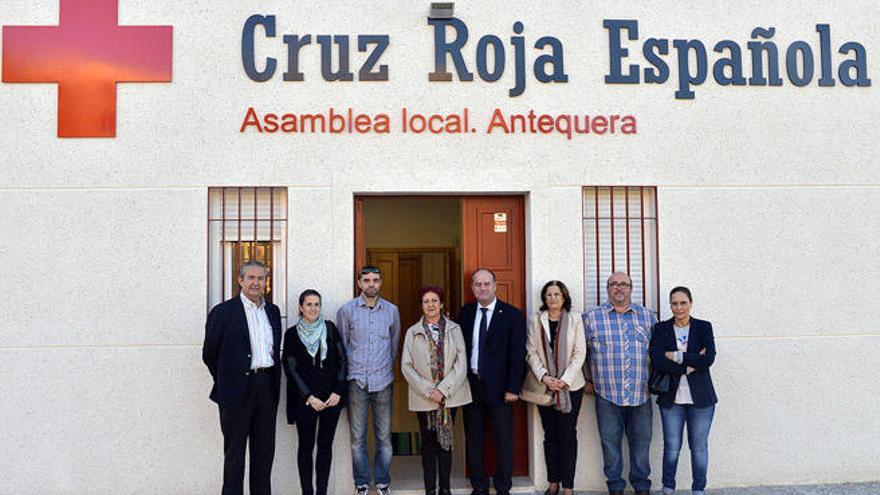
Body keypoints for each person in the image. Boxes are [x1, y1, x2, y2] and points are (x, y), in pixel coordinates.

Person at [202, 260, 282, 495]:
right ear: (240, 280)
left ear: (266, 283)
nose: (256, 283)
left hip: (266, 387)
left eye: (261, 278)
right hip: (236, 391)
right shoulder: (223, 312)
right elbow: (209, 354)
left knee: (264, 455)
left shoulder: (272, 311)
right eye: (251, 278)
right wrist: (228, 380)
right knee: (235, 456)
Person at [583, 272, 658, 495]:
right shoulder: (592, 318)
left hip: (640, 392)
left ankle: (641, 486)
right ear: (607, 289)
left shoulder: (647, 317)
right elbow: (579, 351)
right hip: (606, 393)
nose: (619, 288)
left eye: (623, 284)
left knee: (641, 444)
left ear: (631, 289)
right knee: (610, 444)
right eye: (614, 284)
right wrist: (586, 380)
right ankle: (615, 486)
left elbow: (658, 351)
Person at [459, 268, 526, 495]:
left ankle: (503, 486)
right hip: (472, 386)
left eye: (487, 284)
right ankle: (479, 486)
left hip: (501, 389)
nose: (482, 288)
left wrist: (513, 388)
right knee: (474, 439)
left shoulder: (512, 315)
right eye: (478, 284)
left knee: (503, 440)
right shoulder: (465, 313)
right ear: (472, 287)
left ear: (495, 286)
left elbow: (517, 355)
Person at [401, 285, 472, 495]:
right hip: (424, 398)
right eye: (426, 301)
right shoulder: (412, 332)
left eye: (434, 301)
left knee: (445, 443)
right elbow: (406, 365)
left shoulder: (454, 329)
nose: (430, 305)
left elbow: (461, 363)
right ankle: (430, 489)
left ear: (441, 304)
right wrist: (428, 390)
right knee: (428, 443)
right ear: (421, 306)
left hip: (450, 396)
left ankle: (445, 488)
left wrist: (443, 390)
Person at [336, 265, 401, 495]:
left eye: (375, 280)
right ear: (359, 283)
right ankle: (361, 483)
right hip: (357, 382)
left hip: (383, 380)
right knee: (357, 438)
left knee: (384, 437)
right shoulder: (347, 311)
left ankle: (382, 482)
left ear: (381, 282)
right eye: (366, 280)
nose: (371, 284)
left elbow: (394, 346)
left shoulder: (392, 311)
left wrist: (384, 367)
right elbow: (342, 345)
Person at [649, 287, 717, 495]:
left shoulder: (703, 327)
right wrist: (690, 362)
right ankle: (668, 489)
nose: (678, 308)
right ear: (670, 305)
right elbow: (658, 359)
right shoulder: (661, 328)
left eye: (683, 303)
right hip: (671, 399)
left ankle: (699, 490)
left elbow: (709, 358)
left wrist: (676, 356)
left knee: (698, 448)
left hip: (702, 399)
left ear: (690, 303)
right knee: (671, 448)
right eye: (674, 303)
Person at [521, 280, 587, 495]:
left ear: (564, 297)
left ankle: (568, 487)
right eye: (548, 295)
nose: (552, 299)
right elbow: (531, 352)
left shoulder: (576, 319)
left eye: (556, 294)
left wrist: (564, 380)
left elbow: (580, 353)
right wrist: (545, 376)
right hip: (545, 387)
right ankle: (553, 483)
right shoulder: (536, 320)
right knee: (550, 435)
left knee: (568, 436)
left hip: (571, 387)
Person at [282, 289, 347, 495]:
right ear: (301, 308)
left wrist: (337, 391)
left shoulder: (330, 329)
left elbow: (343, 361)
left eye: (317, 304)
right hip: (305, 400)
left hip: (330, 399)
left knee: (325, 446)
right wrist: (308, 397)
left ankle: (322, 491)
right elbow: (290, 368)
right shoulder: (292, 334)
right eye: (308, 304)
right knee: (305, 447)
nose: (313, 308)